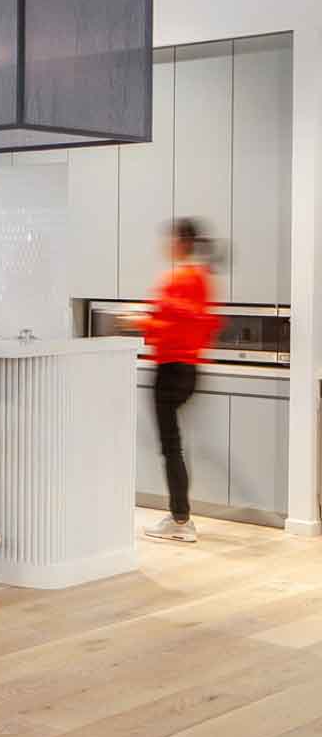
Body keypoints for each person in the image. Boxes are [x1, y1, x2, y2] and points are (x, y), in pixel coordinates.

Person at [134, 219, 220, 544]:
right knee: (174, 446)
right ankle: (180, 516)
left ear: (181, 242)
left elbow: (169, 325)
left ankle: (181, 520)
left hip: (171, 368)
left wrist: (138, 321)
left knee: (171, 446)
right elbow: (198, 322)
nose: (167, 244)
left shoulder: (179, 278)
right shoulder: (201, 278)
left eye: (170, 239)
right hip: (190, 369)